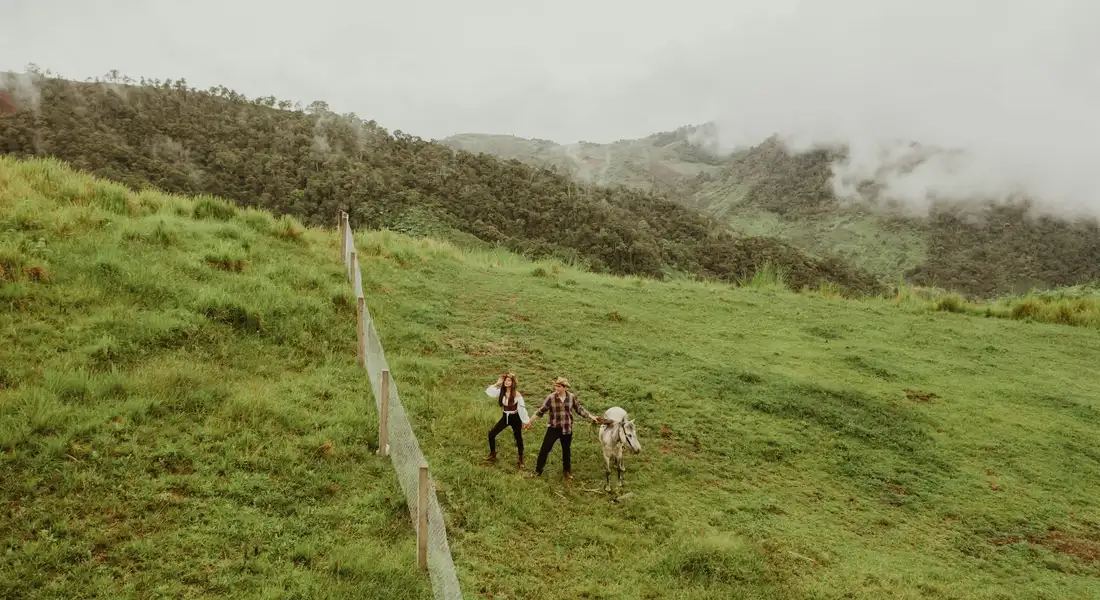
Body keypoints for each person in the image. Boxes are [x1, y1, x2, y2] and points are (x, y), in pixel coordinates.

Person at [524, 376, 599, 480]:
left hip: (567, 428)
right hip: (554, 428)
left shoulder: (571, 397)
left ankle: (567, 472)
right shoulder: (551, 398)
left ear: (564, 387)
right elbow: (540, 411)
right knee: (544, 449)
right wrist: (529, 421)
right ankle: (538, 471)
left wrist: (591, 417)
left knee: (566, 451)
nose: (556, 389)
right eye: (556, 386)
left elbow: (580, 409)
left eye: (559, 387)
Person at [484, 372, 529, 469]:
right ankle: (493, 455)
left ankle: (520, 459)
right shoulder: (501, 391)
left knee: (518, 438)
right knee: (491, 434)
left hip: (515, 418)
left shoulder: (516, 394)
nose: (506, 382)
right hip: (505, 417)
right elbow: (489, 392)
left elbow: (522, 408)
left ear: (513, 383)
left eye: (509, 380)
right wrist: (497, 383)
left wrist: (526, 421)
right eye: (505, 380)